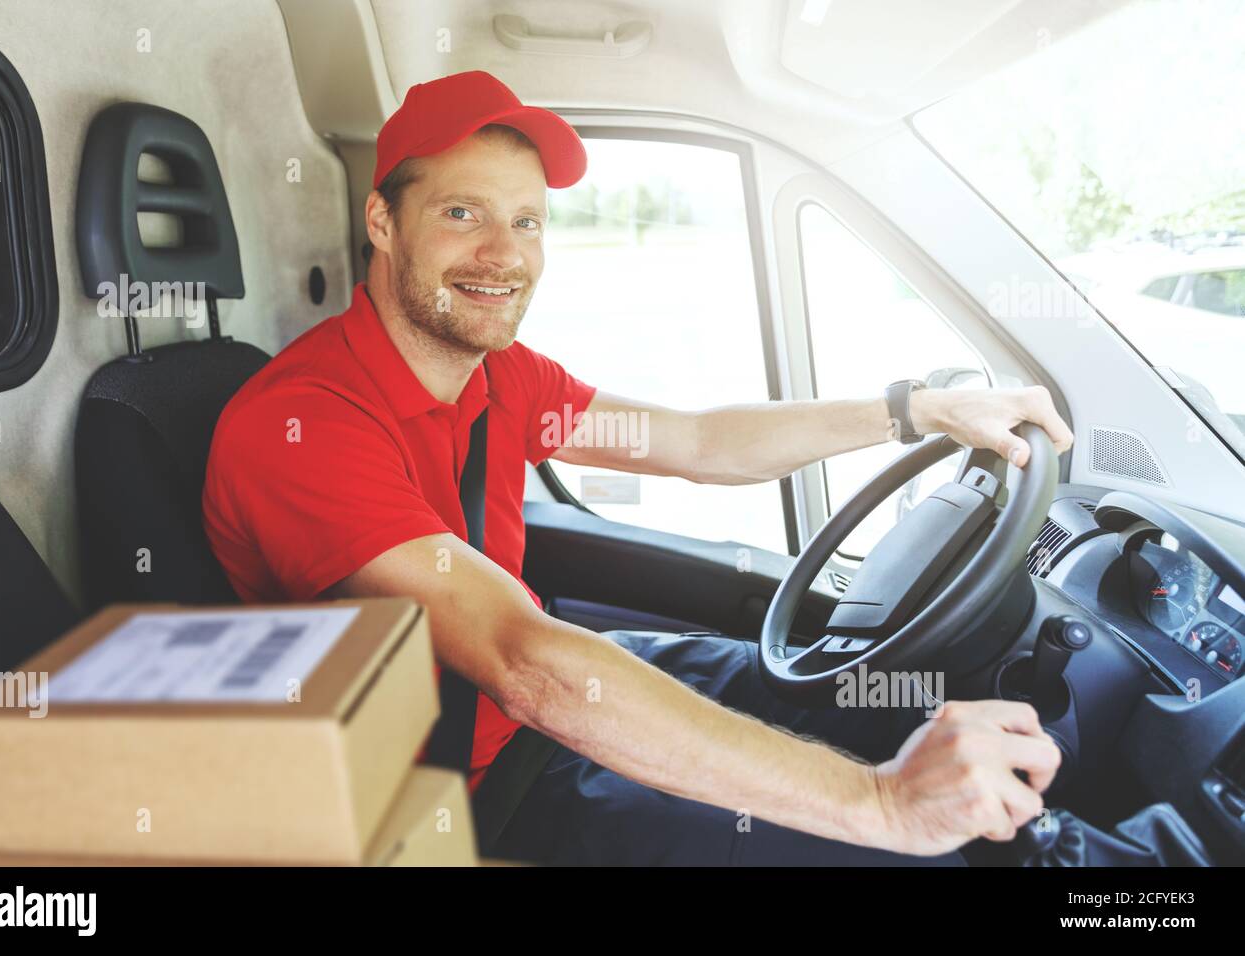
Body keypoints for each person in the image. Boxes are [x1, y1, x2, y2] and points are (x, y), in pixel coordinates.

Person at [203, 70, 1072, 865]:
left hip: (534, 710)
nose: (503, 254)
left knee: (876, 702)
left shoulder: (502, 375)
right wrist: (882, 803)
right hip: (460, 789)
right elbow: (521, 658)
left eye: (527, 221)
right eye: (462, 213)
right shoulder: (301, 424)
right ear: (384, 222)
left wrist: (913, 409)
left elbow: (696, 443)